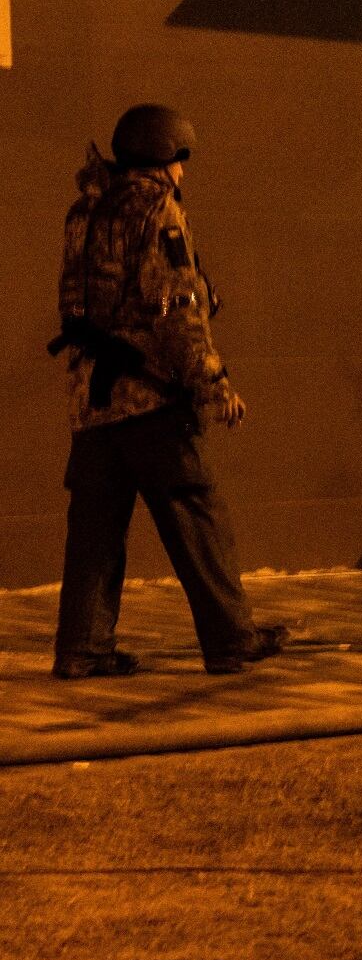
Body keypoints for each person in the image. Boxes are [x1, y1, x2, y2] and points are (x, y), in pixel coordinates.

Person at [49, 104, 286, 678]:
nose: (183, 173)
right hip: (150, 399)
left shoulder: (85, 211)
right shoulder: (160, 212)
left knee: (95, 531)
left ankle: (83, 648)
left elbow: (72, 305)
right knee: (196, 515)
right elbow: (177, 304)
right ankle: (231, 640)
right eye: (181, 161)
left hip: (92, 401)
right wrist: (212, 380)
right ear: (164, 158)